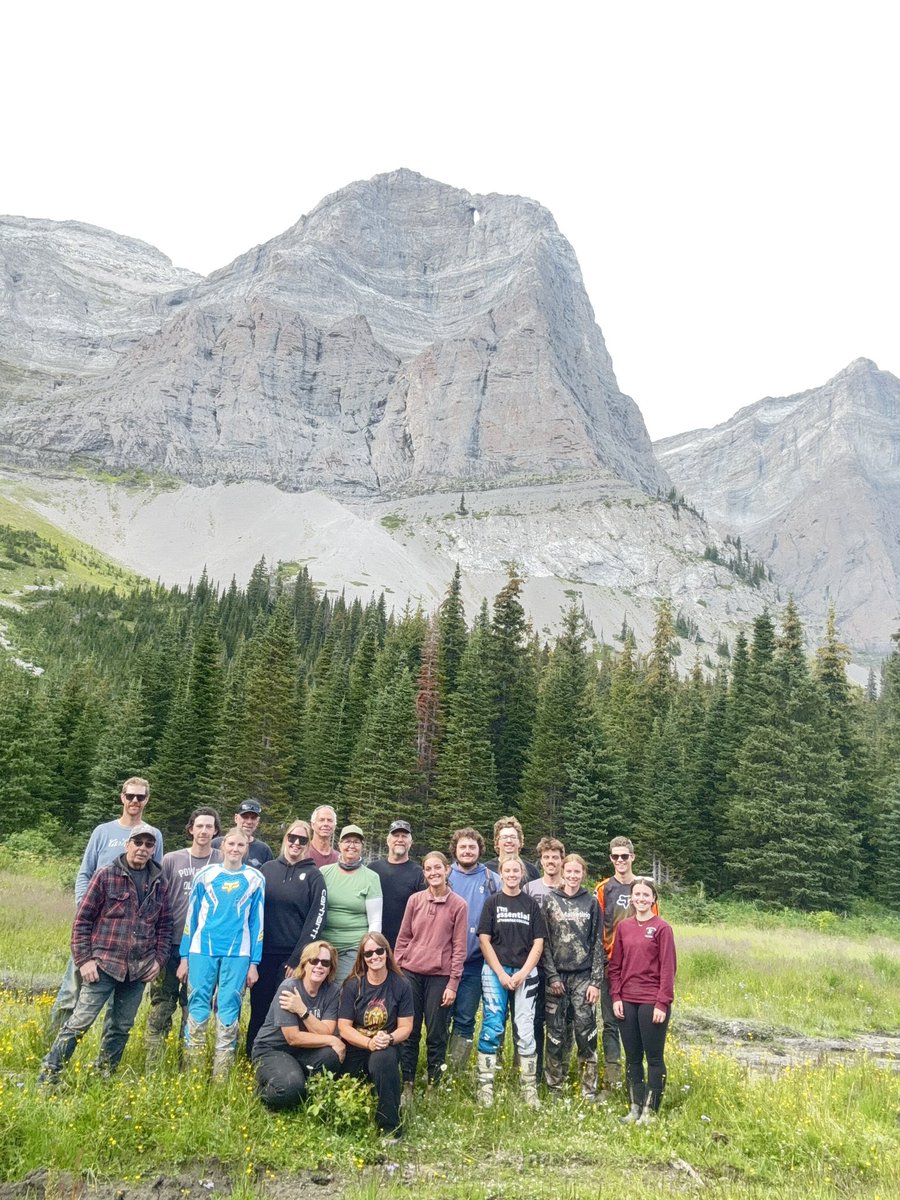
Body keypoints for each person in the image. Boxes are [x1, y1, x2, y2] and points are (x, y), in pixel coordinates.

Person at [39, 823, 172, 1083]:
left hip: (138, 969)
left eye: (148, 844)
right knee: (79, 1022)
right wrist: (84, 960)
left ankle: (104, 1075)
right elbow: (82, 921)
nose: (142, 849)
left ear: (153, 849)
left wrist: (159, 959)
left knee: (121, 1027)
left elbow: (165, 926)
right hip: (103, 965)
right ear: (127, 844)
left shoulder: (159, 882)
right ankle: (49, 1074)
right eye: (138, 842)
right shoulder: (106, 874)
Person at [51, 776, 163, 1030]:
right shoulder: (103, 831)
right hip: (94, 924)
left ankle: (105, 1063)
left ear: (147, 800)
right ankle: (50, 1044)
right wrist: (83, 909)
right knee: (72, 990)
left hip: (126, 933)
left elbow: (157, 878)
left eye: (141, 797)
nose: (135, 801)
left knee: (118, 1005)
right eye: (130, 796)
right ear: (122, 797)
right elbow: (85, 871)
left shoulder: (152, 835)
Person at [178, 827, 265, 1074]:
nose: (235, 849)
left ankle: (221, 1076)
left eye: (240, 845)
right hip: (202, 950)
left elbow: (257, 923)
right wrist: (184, 957)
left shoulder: (255, 879)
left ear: (246, 849)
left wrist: (254, 963)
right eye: (231, 844)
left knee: (228, 1009)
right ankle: (193, 1072)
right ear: (223, 846)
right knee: (197, 1006)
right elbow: (191, 917)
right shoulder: (206, 875)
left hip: (238, 954)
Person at [246, 820, 327, 1056]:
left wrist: (297, 959)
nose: (296, 843)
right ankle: (252, 1056)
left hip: (292, 959)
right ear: (285, 838)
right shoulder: (267, 870)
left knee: (285, 1012)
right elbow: (252, 912)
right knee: (259, 1009)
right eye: (292, 837)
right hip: (263, 954)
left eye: (302, 839)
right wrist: (252, 954)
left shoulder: (314, 876)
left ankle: (283, 1057)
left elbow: (317, 919)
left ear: (308, 843)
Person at [146, 807, 222, 1056]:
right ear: (190, 829)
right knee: (161, 1006)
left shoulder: (222, 860)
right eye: (199, 826)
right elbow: (157, 900)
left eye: (209, 826)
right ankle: (154, 1063)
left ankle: (186, 1061)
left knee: (194, 1009)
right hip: (170, 944)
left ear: (215, 831)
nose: (203, 831)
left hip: (204, 948)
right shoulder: (171, 859)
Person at [394, 850, 467, 1102]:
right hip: (411, 974)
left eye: (438, 868)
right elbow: (403, 937)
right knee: (409, 1031)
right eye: (428, 869)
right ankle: (408, 1083)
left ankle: (434, 1084)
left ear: (448, 870)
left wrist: (453, 984)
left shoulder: (459, 905)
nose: (434, 873)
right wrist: (398, 969)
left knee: (436, 1033)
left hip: (440, 977)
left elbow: (459, 948)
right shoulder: (415, 900)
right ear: (424, 873)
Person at [476, 856, 546, 1107]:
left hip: (526, 972)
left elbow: (539, 942)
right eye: (508, 870)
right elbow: (484, 940)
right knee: (493, 1025)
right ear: (501, 874)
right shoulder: (492, 903)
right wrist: (502, 974)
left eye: (517, 870)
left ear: (523, 874)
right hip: (495, 971)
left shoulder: (531, 905)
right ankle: (485, 1085)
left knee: (525, 1029)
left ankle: (529, 1088)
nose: (512, 874)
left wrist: (523, 972)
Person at [607, 876, 676, 1124]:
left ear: (654, 899)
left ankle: (650, 1111)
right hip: (627, 1000)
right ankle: (635, 1107)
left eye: (646, 895)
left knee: (654, 1058)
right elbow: (615, 966)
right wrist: (616, 996)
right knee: (633, 1057)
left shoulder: (662, 928)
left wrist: (662, 1002)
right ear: (632, 898)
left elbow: (668, 969)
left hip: (651, 1002)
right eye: (637, 894)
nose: (641, 899)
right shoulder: (624, 927)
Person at [595, 835, 658, 1091]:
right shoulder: (603, 889)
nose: (620, 860)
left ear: (632, 857)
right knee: (610, 1023)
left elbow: (657, 928)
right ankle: (613, 1079)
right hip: (611, 967)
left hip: (641, 970)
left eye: (624, 856)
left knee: (637, 1024)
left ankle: (639, 1081)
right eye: (615, 856)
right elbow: (597, 930)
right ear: (611, 858)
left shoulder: (644, 889)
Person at [337, 932, 414, 1140]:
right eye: (368, 953)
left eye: (379, 951)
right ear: (362, 958)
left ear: (387, 953)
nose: (374, 957)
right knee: (335, 1065)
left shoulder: (401, 984)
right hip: (357, 1044)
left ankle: (390, 1127)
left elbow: (406, 1027)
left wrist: (388, 1039)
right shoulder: (353, 985)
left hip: (386, 1044)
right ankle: (343, 1119)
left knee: (383, 1060)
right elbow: (343, 1027)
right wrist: (368, 1042)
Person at [252, 939, 344, 1109]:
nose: (319, 966)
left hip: (302, 1052)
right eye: (314, 961)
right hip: (272, 1050)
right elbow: (292, 1038)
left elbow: (327, 1030)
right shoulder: (289, 988)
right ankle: (262, 1091)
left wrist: (302, 1010)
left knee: (330, 1056)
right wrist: (332, 1040)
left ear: (331, 968)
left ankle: (304, 1090)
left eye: (325, 962)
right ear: (305, 964)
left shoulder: (333, 991)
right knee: (290, 1090)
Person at [542, 853, 604, 1100]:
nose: (572, 876)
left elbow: (598, 942)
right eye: (569, 871)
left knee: (585, 1031)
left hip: (583, 977)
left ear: (583, 874)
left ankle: (588, 1089)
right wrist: (551, 976)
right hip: (556, 977)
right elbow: (543, 942)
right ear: (562, 872)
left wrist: (596, 982)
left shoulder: (591, 902)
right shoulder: (550, 900)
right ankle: (555, 1086)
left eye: (577, 872)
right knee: (556, 1033)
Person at [446, 828, 500, 1072]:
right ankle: (438, 1067)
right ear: (455, 850)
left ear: (480, 850)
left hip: (476, 962)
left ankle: (454, 1071)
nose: (467, 851)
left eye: (472, 847)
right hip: (444, 962)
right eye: (463, 847)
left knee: (465, 1018)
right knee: (440, 1018)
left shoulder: (491, 879)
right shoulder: (445, 875)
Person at [524, 835, 566, 1077]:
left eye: (555, 857)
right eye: (546, 857)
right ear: (540, 860)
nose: (551, 861)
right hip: (535, 962)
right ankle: (534, 1071)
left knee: (561, 1021)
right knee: (535, 1018)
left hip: (563, 964)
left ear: (562, 860)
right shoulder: (531, 888)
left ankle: (559, 1069)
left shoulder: (569, 886)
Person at [320, 825, 383, 985]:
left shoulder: (371, 877)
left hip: (353, 945)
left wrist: (369, 948)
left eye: (356, 842)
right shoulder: (324, 872)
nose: (351, 845)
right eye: (347, 841)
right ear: (339, 845)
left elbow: (375, 920)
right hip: (324, 943)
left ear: (362, 847)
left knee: (343, 986)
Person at [369, 820, 425, 947]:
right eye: (396, 835)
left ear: (410, 843)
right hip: (375, 944)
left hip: (405, 945)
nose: (400, 839)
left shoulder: (419, 874)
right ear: (388, 840)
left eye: (404, 836)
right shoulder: (372, 869)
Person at [212, 799, 273, 868]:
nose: (249, 822)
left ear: (258, 821)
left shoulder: (264, 850)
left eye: (253, 818)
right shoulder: (216, 844)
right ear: (236, 818)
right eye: (245, 817)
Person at [484, 816, 540, 882]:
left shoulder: (531, 870)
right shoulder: (486, 870)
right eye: (504, 837)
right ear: (497, 842)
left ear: (520, 841)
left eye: (513, 837)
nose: (509, 840)